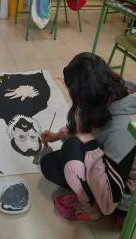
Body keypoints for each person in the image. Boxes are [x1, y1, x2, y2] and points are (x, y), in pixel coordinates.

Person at [40, 52, 136, 222]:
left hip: (122, 197)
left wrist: (89, 144)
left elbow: (109, 202)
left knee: (64, 155)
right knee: (54, 160)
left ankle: (90, 209)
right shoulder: (114, 90)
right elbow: (91, 126)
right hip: (110, 162)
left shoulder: (121, 131)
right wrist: (58, 135)